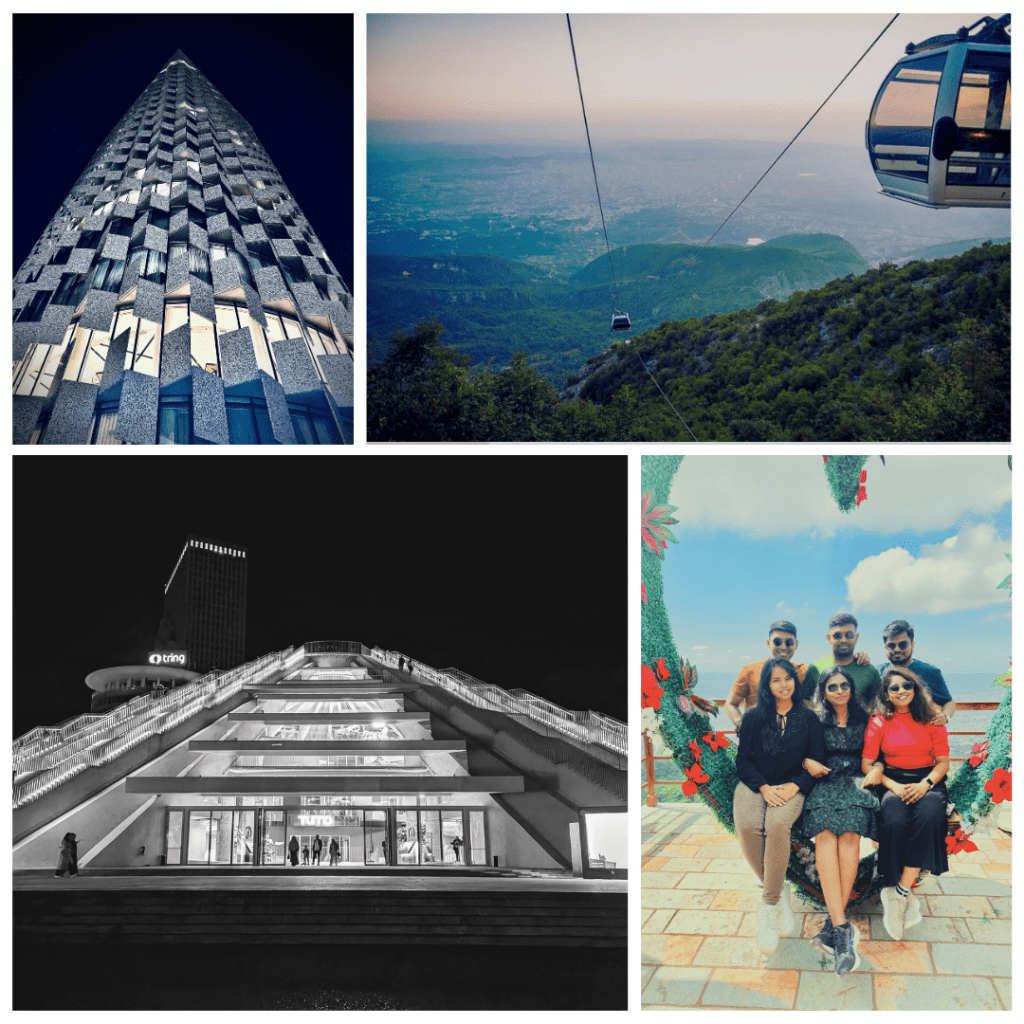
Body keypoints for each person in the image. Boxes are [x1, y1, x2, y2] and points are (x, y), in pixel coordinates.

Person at [734, 658, 825, 955]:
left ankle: (768, 907)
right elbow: (743, 761)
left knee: (776, 825)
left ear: (795, 682)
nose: (783, 684)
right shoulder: (753, 717)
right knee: (748, 825)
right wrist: (762, 787)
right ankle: (778, 890)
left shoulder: (808, 718)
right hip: (755, 782)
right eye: (776, 680)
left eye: (788, 678)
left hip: (792, 784)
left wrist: (797, 784)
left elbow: (817, 759)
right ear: (767, 685)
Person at [861, 665, 950, 941]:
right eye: (894, 687)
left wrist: (926, 785)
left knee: (930, 815)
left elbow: (944, 762)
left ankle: (898, 891)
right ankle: (898, 887)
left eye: (907, 685)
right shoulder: (879, 720)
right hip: (892, 779)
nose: (902, 691)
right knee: (894, 817)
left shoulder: (932, 717)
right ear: (886, 693)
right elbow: (867, 763)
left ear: (916, 688)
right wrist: (893, 786)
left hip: (928, 779)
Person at [801, 665, 880, 976]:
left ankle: (833, 926)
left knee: (849, 837)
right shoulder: (815, 721)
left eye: (843, 685)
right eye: (832, 687)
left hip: (856, 783)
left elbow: (880, 753)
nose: (839, 691)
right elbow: (801, 752)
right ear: (824, 692)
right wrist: (806, 761)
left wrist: (878, 769)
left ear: (851, 688)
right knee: (825, 837)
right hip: (824, 784)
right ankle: (842, 929)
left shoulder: (867, 719)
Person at [726, 620, 870, 730]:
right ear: (768, 643)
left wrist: (854, 657)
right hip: (757, 745)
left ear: (796, 645)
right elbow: (731, 704)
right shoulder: (749, 670)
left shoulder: (804, 672)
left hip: (794, 746)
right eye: (777, 642)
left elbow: (835, 673)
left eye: (789, 642)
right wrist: (741, 725)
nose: (783, 647)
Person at [876, 619, 957, 723]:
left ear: (912, 645)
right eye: (891, 645)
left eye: (902, 644)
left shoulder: (930, 672)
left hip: (920, 736)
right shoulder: (877, 671)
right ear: (885, 648)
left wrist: (945, 717)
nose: (896, 649)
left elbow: (949, 702)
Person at [802, 613, 882, 709]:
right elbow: (806, 703)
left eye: (849, 635)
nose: (843, 640)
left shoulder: (870, 670)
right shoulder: (815, 668)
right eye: (837, 635)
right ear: (829, 638)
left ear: (856, 638)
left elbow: (877, 706)